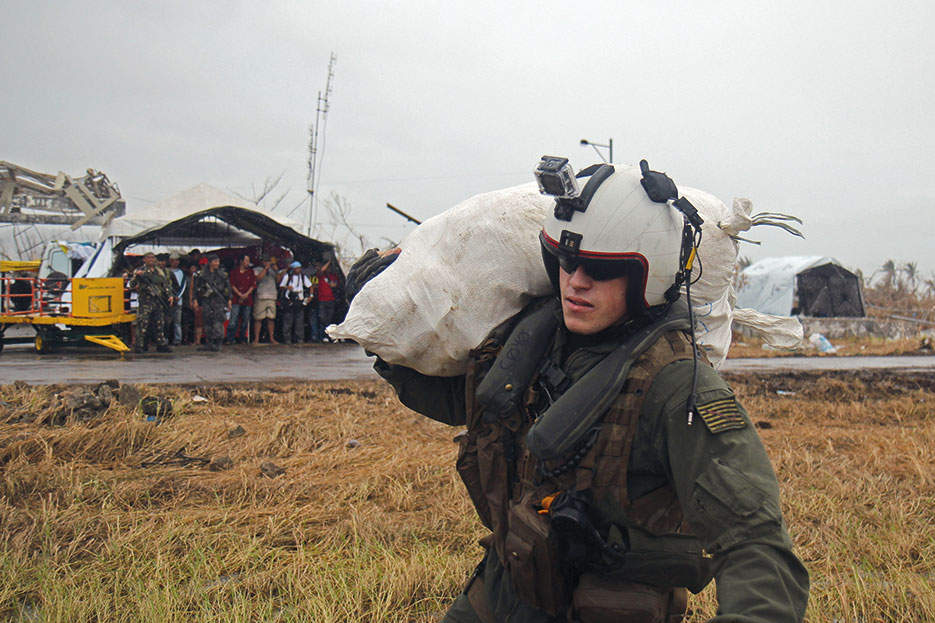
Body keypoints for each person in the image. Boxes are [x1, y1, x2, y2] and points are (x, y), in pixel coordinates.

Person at [348, 158, 809, 622]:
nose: (576, 283)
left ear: (650, 275)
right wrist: (386, 344)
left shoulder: (678, 386)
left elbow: (756, 545)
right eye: (567, 262)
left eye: (600, 268)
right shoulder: (535, 339)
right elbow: (468, 403)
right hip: (504, 590)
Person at [128, 252, 172, 353]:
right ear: (144, 259)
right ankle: (140, 345)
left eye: (153, 257)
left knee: (159, 323)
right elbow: (131, 285)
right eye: (148, 258)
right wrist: (137, 276)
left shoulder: (159, 271)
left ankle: (161, 344)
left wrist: (170, 295)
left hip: (158, 301)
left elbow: (165, 284)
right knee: (143, 323)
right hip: (146, 301)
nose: (151, 259)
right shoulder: (140, 271)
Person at [194, 253, 231, 352]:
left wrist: (229, 300)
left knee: (218, 322)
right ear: (210, 263)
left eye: (218, 261)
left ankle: (217, 343)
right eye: (215, 261)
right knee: (207, 322)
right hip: (207, 301)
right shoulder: (202, 275)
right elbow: (196, 289)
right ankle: (209, 343)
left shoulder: (222, 275)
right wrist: (195, 300)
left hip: (218, 301)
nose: (217, 263)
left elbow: (228, 289)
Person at [279, 261, 311, 344]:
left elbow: (310, 286)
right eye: (297, 268)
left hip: (299, 300)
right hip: (290, 300)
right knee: (288, 320)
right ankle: (287, 339)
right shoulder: (288, 276)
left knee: (299, 321)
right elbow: (281, 286)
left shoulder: (303, 277)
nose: (298, 270)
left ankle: (300, 338)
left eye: (299, 268)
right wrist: (287, 287)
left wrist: (311, 296)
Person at [227, 254, 256, 344]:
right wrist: (239, 294)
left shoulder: (251, 272)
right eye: (246, 260)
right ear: (241, 261)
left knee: (245, 320)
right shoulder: (234, 272)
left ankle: (242, 338)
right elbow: (232, 285)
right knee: (233, 320)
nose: (247, 262)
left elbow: (253, 285)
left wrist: (245, 294)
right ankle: (230, 338)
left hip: (247, 299)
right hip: (236, 298)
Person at [252, 255, 280, 345]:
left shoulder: (273, 271)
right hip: (261, 296)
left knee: (271, 318)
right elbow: (257, 279)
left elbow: (279, 281)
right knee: (258, 318)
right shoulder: (257, 269)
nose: (268, 263)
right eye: (266, 261)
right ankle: (256, 338)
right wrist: (265, 269)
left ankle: (271, 338)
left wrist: (276, 269)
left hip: (272, 296)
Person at [314, 259, 339, 342]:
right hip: (322, 300)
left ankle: (329, 336)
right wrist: (329, 262)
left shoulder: (333, 276)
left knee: (329, 319)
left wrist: (334, 285)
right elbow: (321, 271)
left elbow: (336, 284)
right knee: (322, 319)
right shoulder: (321, 275)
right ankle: (323, 336)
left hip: (331, 299)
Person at [167, 253, 186, 346]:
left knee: (177, 321)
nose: (176, 262)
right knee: (167, 321)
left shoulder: (181, 272)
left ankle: (178, 339)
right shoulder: (165, 271)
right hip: (168, 300)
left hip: (178, 300)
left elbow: (183, 285)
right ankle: (166, 339)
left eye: (178, 260)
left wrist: (178, 296)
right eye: (174, 260)